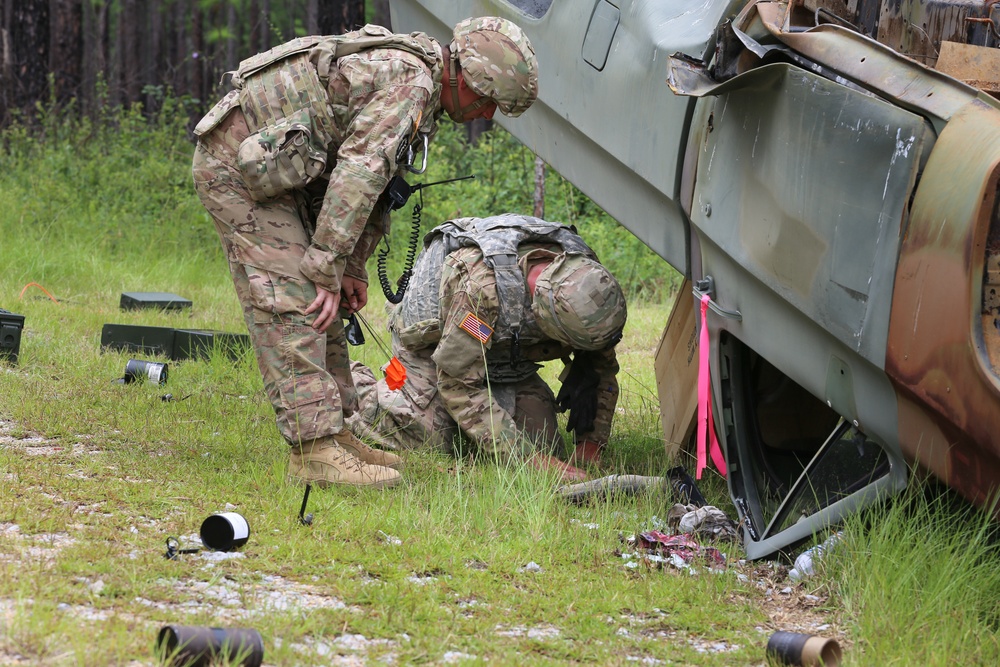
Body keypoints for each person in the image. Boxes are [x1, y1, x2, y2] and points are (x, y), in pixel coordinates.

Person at [190, 18, 538, 489]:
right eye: (488, 102)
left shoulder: (423, 88)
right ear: (469, 80)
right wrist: (325, 265)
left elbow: (376, 180)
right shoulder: (411, 82)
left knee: (324, 300)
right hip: (237, 165)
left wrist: (349, 266)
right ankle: (313, 451)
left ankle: (336, 435)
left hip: (287, 172)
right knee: (297, 296)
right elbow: (359, 173)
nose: (486, 115)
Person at [348, 214, 627, 481]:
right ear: (544, 320)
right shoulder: (482, 288)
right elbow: (458, 384)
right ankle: (353, 385)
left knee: (546, 445)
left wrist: (592, 443)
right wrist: (526, 459)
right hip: (434, 347)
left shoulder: (587, 279)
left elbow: (600, 370)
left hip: (505, 357)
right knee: (427, 435)